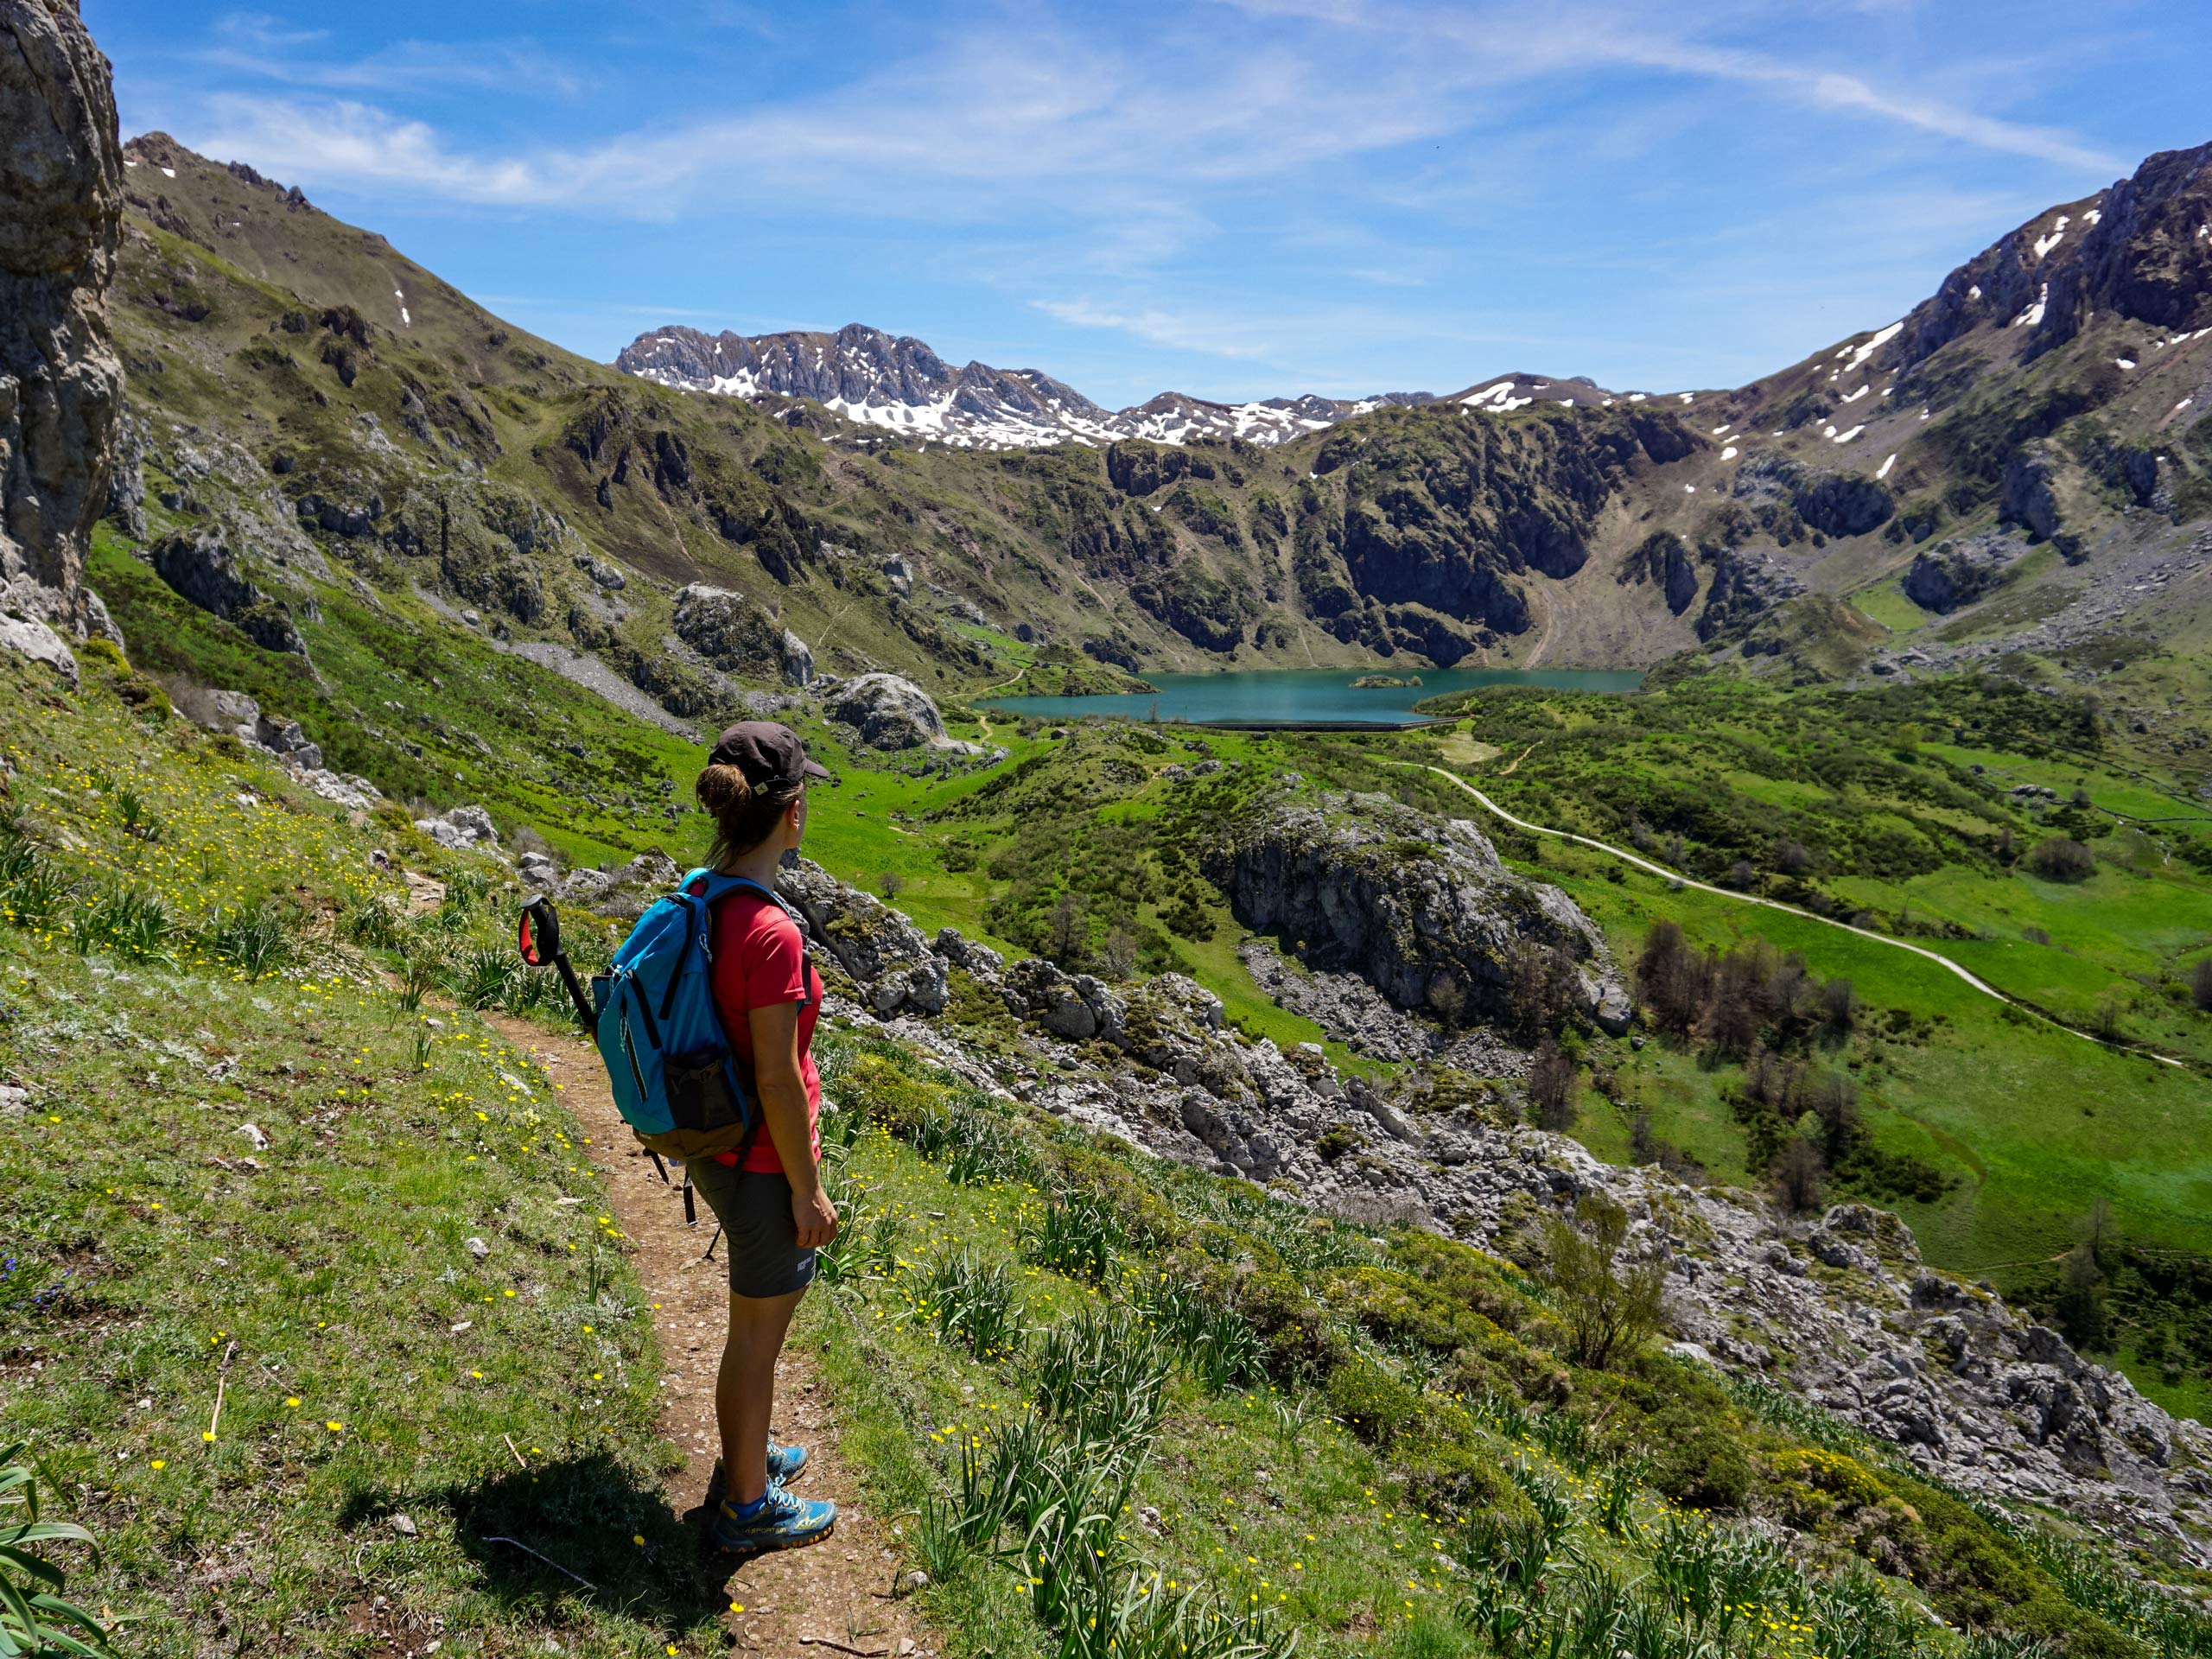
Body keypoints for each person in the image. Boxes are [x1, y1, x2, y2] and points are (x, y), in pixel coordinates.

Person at [686, 721, 840, 1558]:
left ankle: (751, 1454)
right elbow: (779, 1079)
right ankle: (746, 1505)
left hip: (717, 1145)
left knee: (756, 1334)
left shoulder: (706, 894)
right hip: (759, 1161)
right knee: (756, 1340)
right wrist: (807, 1188)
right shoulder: (772, 932)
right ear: (790, 813)